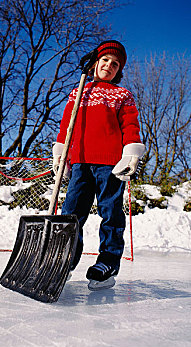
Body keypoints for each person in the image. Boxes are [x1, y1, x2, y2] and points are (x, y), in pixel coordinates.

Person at [52, 40, 145, 290]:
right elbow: (66, 126)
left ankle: (108, 262)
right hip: (80, 161)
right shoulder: (79, 91)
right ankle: (65, 259)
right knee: (71, 213)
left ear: (119, 71)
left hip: (110, 164)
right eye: (105, 60)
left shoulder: (122, 95)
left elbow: (130, 127)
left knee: (111, 212)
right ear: (95, 63)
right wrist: (61, 153)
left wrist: (131, 154)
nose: (109, 66)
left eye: (115, 64)